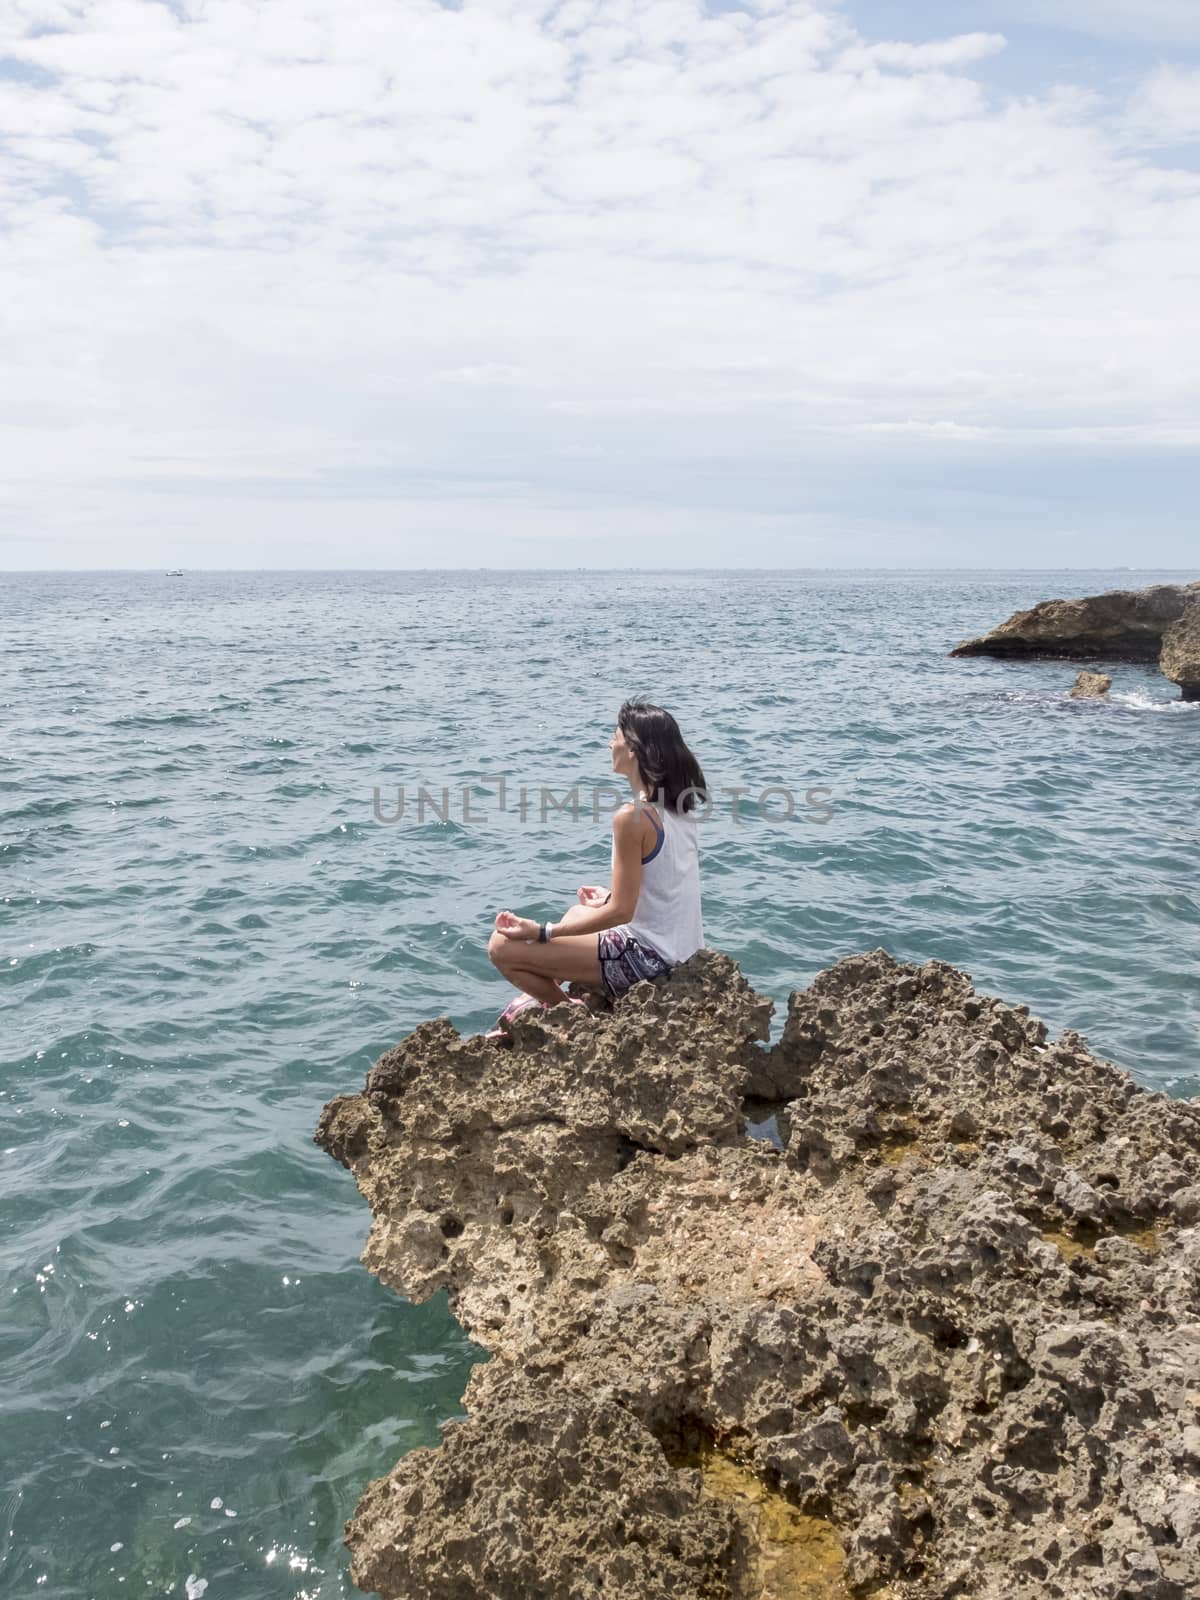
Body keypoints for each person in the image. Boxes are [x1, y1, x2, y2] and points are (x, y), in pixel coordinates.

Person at [486, 699, 706, 1027]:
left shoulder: (632, 817)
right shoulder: (677, 809)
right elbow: (666, 888)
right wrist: (606, 900)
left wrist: (543, 932)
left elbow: (622, 913)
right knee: (580, 912)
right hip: (681, 952)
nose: (609, 743)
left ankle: (573, 1015)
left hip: (649, 961)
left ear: (632, 749)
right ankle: (545, 993)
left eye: (615, 736)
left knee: (501, 946)